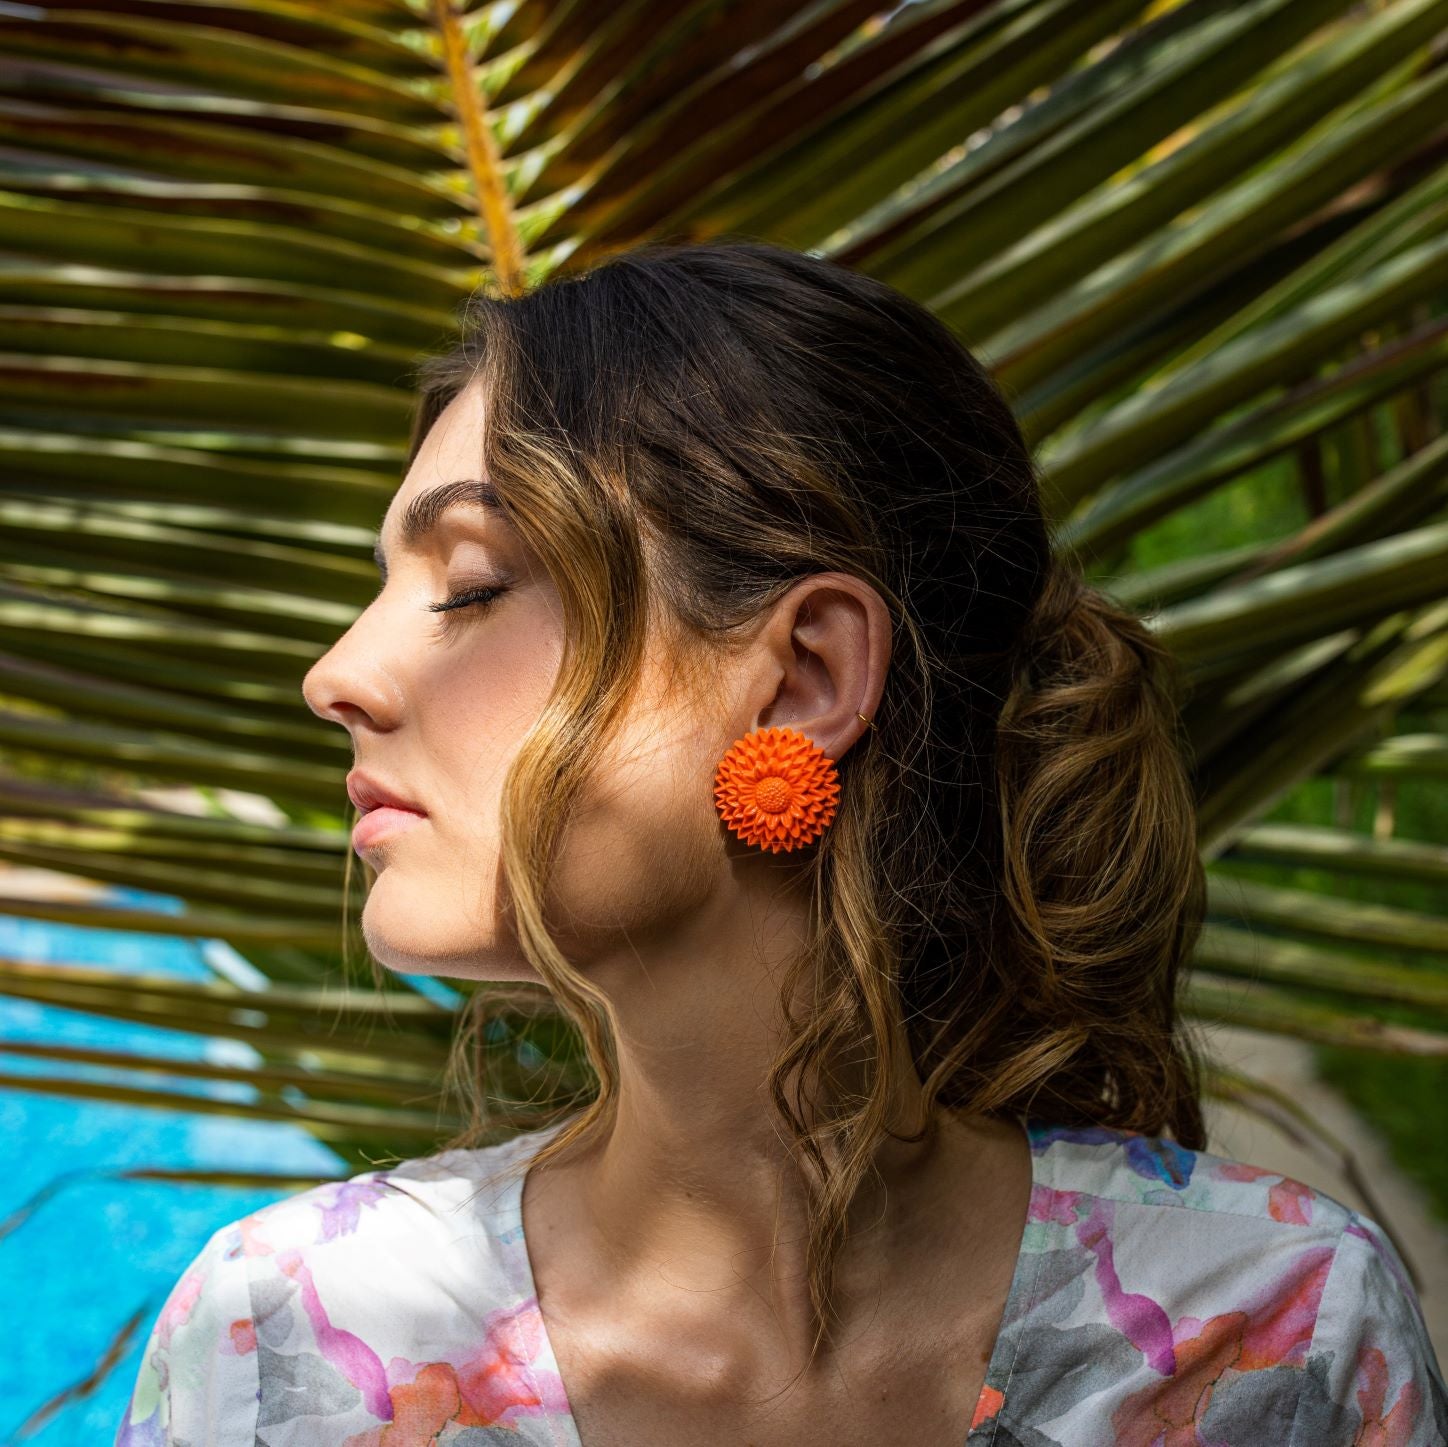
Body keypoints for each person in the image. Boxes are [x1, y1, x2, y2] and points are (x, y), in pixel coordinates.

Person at [115, 238, 1446, 1446]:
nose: (335, 673)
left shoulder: (1279, 1340)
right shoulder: (283, 1345)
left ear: (806, 675)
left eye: (469, 586)